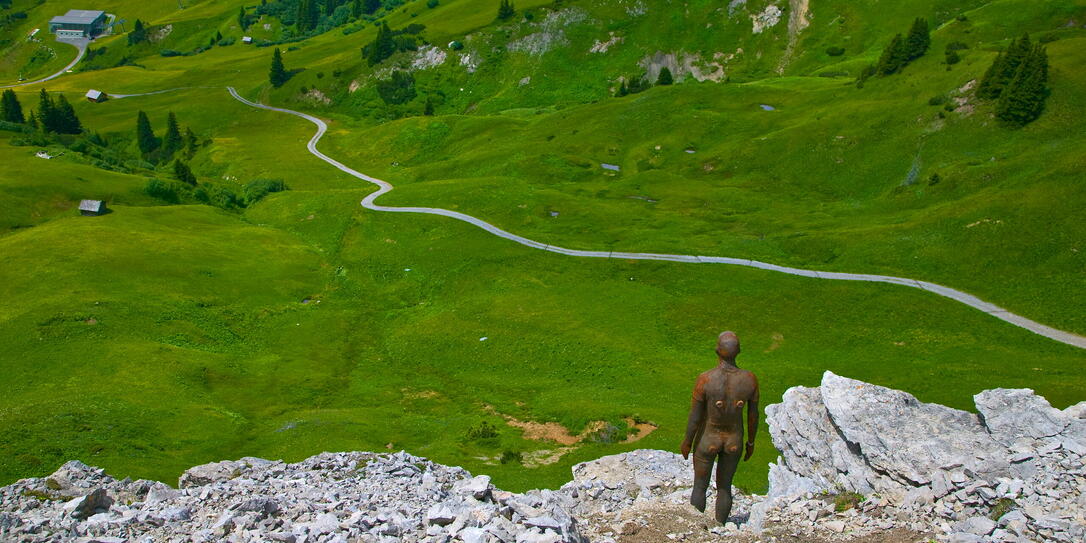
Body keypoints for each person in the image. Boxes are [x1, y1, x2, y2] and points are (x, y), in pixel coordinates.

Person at [680, 331, 760, 524]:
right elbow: (753, 416)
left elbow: (695, 417)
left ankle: (697, 527)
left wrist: (687, 441)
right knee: (725, 486)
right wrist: (750, 442)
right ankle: (720, 526)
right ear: (739, 351)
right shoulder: (750, 380)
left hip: (708, 438)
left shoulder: (706, 379)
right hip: (734, 440)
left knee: (700, 486)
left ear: (717, 350)